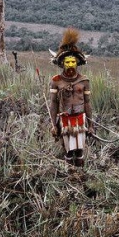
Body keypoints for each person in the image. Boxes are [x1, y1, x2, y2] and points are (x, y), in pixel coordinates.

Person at [48, 28, 93, 167]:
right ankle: (69, 174)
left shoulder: (84, 81)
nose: (70, 65)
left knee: (79, 151)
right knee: (67, 150)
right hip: (65, 120)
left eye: (73, 61)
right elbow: (54, 104)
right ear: (62, 63)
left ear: (77, 63)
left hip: (80, 119)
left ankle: (80, 174)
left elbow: (87, 104)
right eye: (67, 62)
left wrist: (91, 125)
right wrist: (53, 124)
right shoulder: (56, 81)